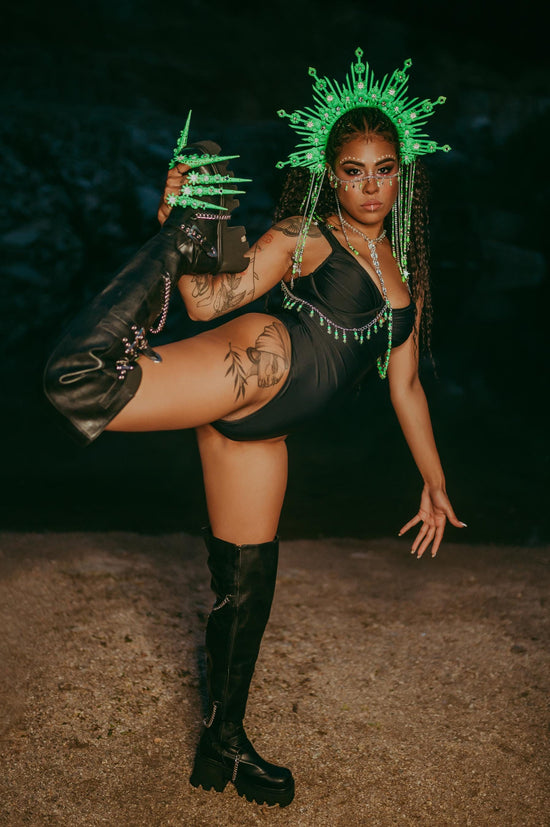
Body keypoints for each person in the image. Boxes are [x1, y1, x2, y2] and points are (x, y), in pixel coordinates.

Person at [44, 49, 465, 808]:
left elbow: (404, 385)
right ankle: (182, 226)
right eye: (354, 171)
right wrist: (182, 231)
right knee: (79, 380)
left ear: (403, 174)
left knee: (246, 587)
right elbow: (207, 302)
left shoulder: (404, 271)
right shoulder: (309, 235)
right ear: (331, 176)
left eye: (383, 170)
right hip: (255, 363)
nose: (370, 186)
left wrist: (433, 481)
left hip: (263, 432)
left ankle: (224, 740)